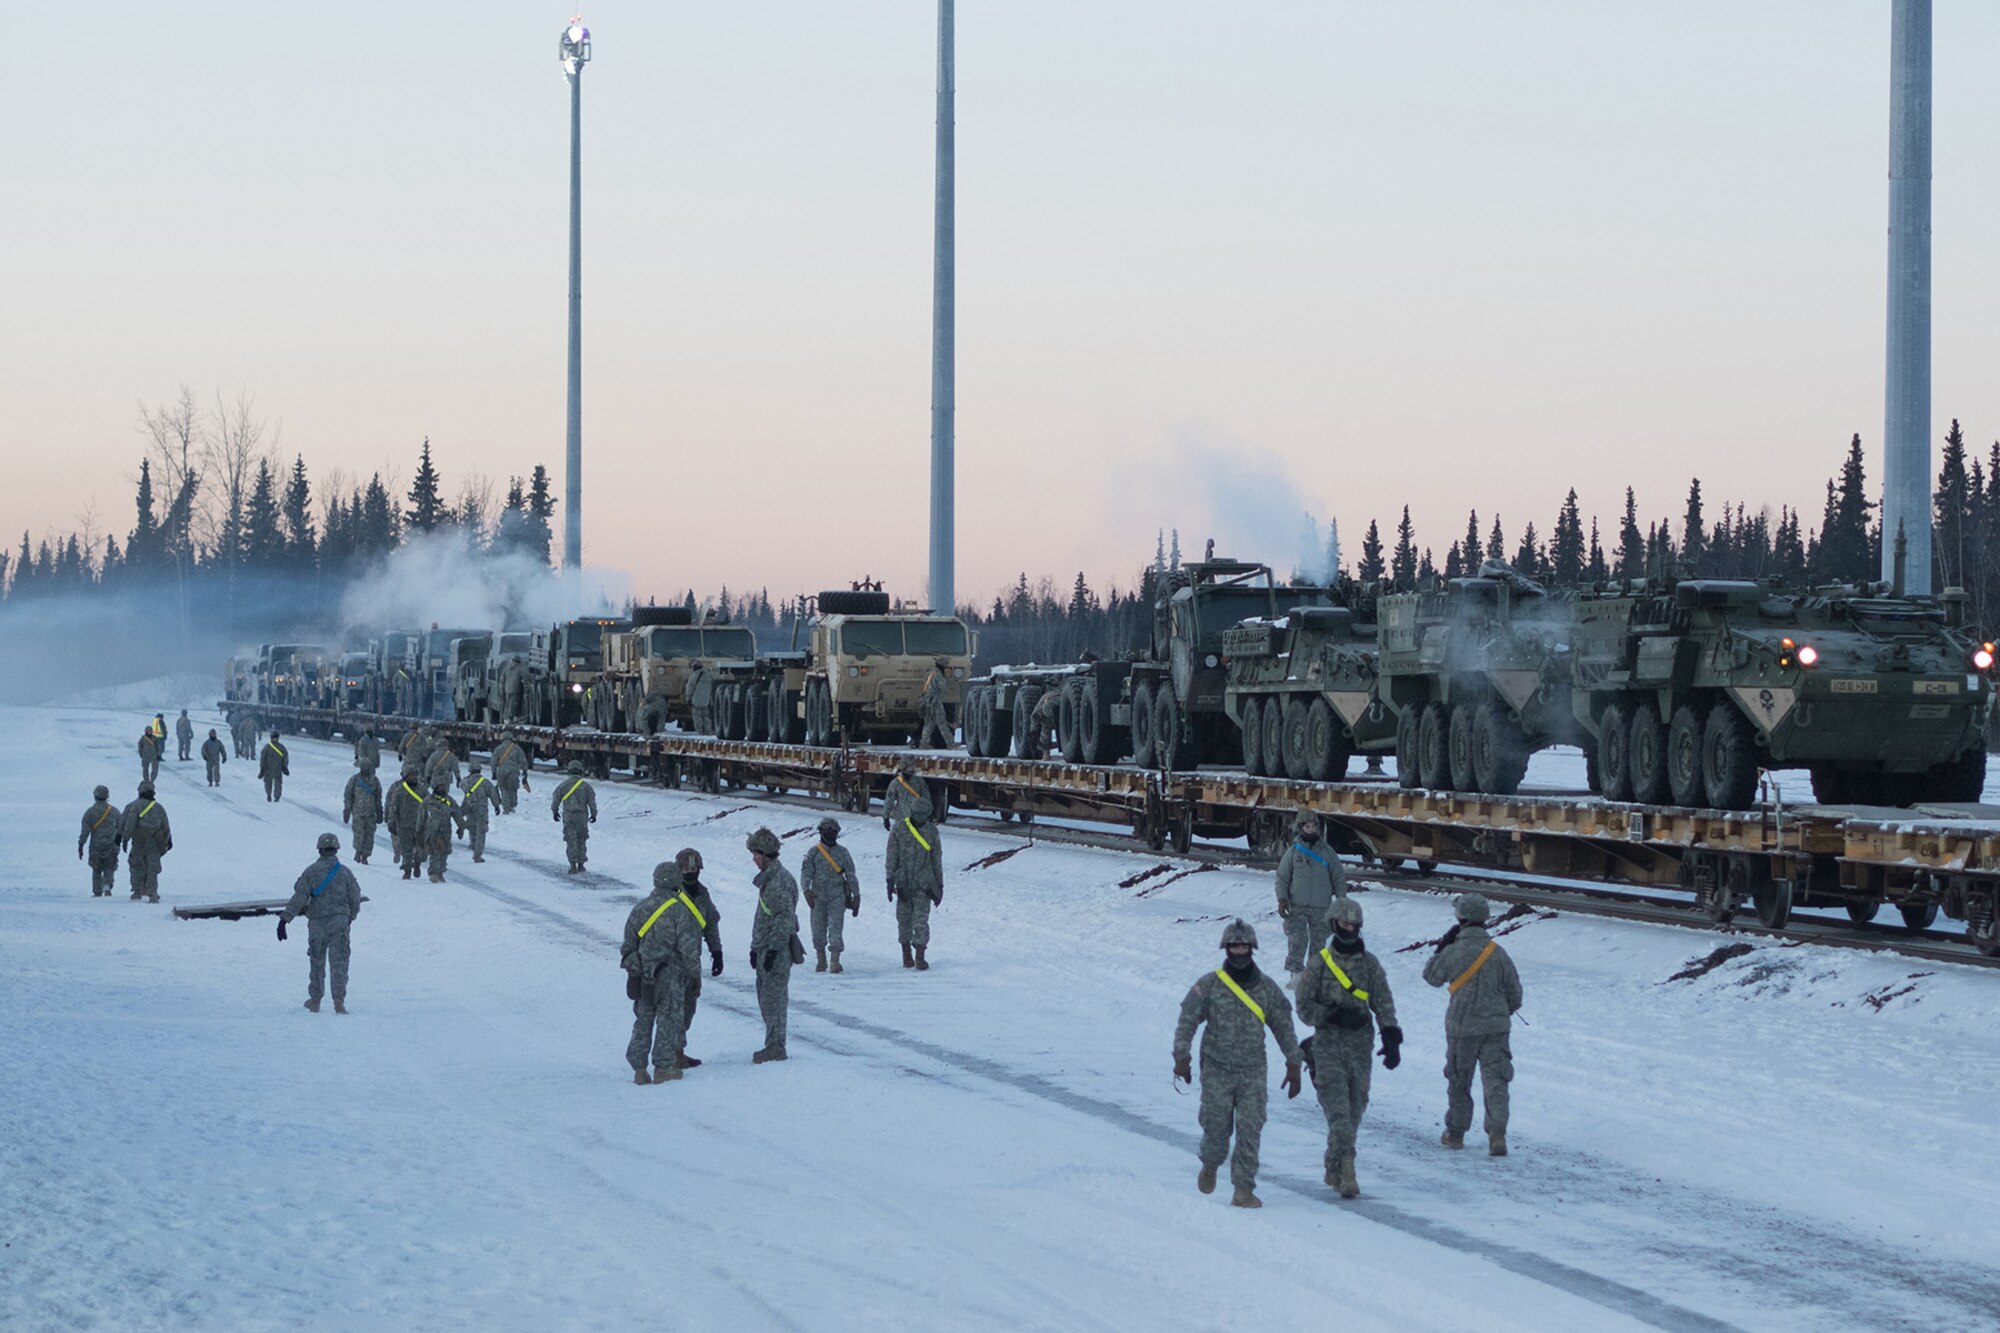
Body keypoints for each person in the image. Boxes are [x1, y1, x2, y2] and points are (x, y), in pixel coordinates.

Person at [1172, 919, 1303, 1209]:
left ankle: (1243, 1189)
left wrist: (1294, 1063)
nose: (1239, 950)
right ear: (1226, 948)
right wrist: (1182, 1057)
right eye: (1234, 945)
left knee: (1250, 1129)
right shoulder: (1209, 985)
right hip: (1217, 1069)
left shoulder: (1267, 988)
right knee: (1217, 1128)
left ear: (1252, 948)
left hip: (1252, 1071)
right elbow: (1187, 1020)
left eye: (1244, 945)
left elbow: (1284, 1026)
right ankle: (1210, 1162)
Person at [1295, 898, 1401, 1199]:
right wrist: (1329, 1014)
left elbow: (1383, 1001)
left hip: (1360, 1048)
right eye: (1345, 924)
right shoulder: (1318, 965)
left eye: (1355, 925)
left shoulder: (1370, 964)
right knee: (1339, 1114)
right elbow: (1303, 1007)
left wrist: (1390, 1036)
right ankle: (1348, 1171)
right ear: (1333, 924)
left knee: (1356, 1110)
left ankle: (1332, 1164)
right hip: (1327, 1047)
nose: (1350, 929)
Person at [1422, 892, 1524, 1157]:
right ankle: (1497, 1134)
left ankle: (1455, 1134)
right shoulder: (1499, 953)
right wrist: (1499, 1013)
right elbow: (1516, 995)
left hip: (1462, 1028)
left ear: (1460, 919)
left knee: (1459, 1080)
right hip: (1496, 1028)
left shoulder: (1454, 951)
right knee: (1496, 1081)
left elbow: (1431, 976)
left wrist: (1442, 946)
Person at [620, 860, 705, 1084]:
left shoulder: (640, 908)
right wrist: (695, 976)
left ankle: (639, 1068)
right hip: (671, 976)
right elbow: (689, 949)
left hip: (643, 975)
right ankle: (664, 1067)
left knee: (643, 1019)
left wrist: (635, 970)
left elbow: (628, 946)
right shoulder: (680, 911)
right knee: (668, 1020)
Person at [278, 832, 363, 1014]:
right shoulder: (345, 872)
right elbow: (355, 897)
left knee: (317, 961)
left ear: (319, 850)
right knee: (339, 962)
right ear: (336, 849)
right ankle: (338, 1001)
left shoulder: (310, 872)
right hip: (339, 921)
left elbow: (300, 897)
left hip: (317, 923)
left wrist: (285, 919)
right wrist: (350, 917)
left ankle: (315, 1000)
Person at [746, 827, 799, 1063]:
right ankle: (773, 1043)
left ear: (766, 854)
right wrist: (755, 946)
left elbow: (783, 919)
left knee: (773, 999)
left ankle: (776, 1046)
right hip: (766, 947)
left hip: (774, 950)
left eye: (755, 854)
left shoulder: (778, 882)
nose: (753, 859)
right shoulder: (772, 879)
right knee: (767, 998)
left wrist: (772, 951)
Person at [884, 762, 943, 969]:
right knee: (906, 919)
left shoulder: (927, 831)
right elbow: (892, 855)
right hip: (908, 881)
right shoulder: (903, 829)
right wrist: (890, 879)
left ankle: (917, 955)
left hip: (917, 882)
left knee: (917, 919)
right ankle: (908, 954)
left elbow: (936, 859)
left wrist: (939, 886)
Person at [673, 847, 727, 1068]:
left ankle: (678, 1050)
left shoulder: (703, 895)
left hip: (692, 962)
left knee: (688, 1007)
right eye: (688, 872)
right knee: (672, 1008)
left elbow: (710, 924)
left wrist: (717, 952)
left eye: (696, 872)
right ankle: (670, 1053)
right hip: (671, 962)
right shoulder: (670, 894)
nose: (692, 876)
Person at [1276, 813, 1348, 977]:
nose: (1311, 830)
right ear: (1301, 828)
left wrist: (1341, 901)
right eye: (1307, 827)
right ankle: (1296, 975)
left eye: (1313, 826)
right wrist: (1282, 899)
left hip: (1321, 905)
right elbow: (1282, 878)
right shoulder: (1293, 852)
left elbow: (1338, 877)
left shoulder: (1327, 852)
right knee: (1297, 940)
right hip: (1297, 905)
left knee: (1319, 942)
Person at [800, 816, 859, 973]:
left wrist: (856, 896)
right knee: (817, 929)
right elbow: (806, 873)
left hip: (837, 897)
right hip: (817, 897)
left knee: (835, 929)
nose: (831, 834)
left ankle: (834, 961)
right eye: (828, 831)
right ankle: (821, 961)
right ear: (821, 832)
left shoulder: (843, 852)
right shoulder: (813, 853)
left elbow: (851, 875)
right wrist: (806, 890)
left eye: (834, 831)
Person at [118, 781, 172, 902]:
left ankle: (137, 891)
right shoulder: (159, 807)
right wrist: (168, 840)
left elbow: (128, 823)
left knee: (136, 865)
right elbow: (165, 826)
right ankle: (153, 893)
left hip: (139, 841)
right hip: (155, 842)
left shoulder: (133, 805)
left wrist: (124, 838)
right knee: (152, 867)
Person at [551, 760, 597, 873]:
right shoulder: (586, 787)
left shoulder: (563, 786)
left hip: (569, 817)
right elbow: (592, 802)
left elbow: (555, 799)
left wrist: (555, 811)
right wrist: (594, 814)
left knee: (571, 840)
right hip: (582, 817)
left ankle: (573, 866)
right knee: (582, 839)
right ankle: (581, 865)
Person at [386, 762, 428, 879]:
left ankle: (418, 862)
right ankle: (407, 870)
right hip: (404, 825)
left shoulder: (423, 790)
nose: (413, 777)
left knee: (421, 849)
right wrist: (391, 823)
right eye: (410, 775)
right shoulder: (399, 791)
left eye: (415, 775)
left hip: (420, 825)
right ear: (405, 777)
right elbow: (393, 807)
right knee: (406, 849)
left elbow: (430, 805)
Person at [78, 784, 122, 896]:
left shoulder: (90, 812)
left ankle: (97, 891)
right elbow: (121, 828)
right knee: (109, 866)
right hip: (111, 844)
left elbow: (85, 831)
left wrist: (81, 844)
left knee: (96, 868)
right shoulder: (115, 811)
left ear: (95, 796)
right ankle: (107, 886)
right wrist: (119, 842)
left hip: (96, 845)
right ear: (107, 796)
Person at [420, 776, 465, 882]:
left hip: (446, 831)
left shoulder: (449, 800)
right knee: (434, 852)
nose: (443, 788)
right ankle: (434, 873)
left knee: (445, 851)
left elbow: (457, 813)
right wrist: (419, 830)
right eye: (440, 786)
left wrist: (461, 826)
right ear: (435, 787)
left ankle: (441, 871)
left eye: (444, 786)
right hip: (432, 831)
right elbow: (421, 816)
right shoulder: (428, 801)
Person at [458, 760, 502, 863]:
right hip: (482, 809)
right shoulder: (485, 782)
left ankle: (473, 845)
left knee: (472, 828)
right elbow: (493, 794)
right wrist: (496, 806)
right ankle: (477, 855)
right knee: (481, 832)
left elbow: (461, 784)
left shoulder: (466, 781)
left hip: (469, 807)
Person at [343, 760, 384, 864]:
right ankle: (358, 852)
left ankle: (365, 856)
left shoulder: (375, 781)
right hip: (358, 813)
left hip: (371, 813)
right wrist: (347, 809)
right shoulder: (354, 780)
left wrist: (380, 810)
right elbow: (348, 795)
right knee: (359, 834)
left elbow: (378, 796)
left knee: (370, 835)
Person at [492, 730, 531, 814]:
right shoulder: (517, 748)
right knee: (513, 789)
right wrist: (525, 772)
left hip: (501, 772)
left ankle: (506, 808)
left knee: (503, 789)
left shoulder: (498, 749)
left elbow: (493, 762)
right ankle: (512, 805)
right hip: (513, 772)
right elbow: (523, 761)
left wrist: (494, 773)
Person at [917, 658, 953, 748]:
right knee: (942, 722)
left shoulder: (928, 673)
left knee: (929, 722)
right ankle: (950, 743)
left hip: (926, 700)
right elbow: (943, 688)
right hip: (935, 700)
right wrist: (946, 678)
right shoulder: (938, 674)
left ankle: (924, 743)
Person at [260, 730, 291, 802]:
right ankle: (268, 794)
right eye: (274, 738)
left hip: (278, 769)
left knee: (278, 784)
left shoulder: (281, 747)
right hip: (268, 769)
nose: (275, 739)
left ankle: (277, 797)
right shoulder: (267, 747)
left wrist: (284, 766)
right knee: (268, 783)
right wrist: (262, 768)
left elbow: (285, 757)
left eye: (276, 738)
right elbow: (263, 758)